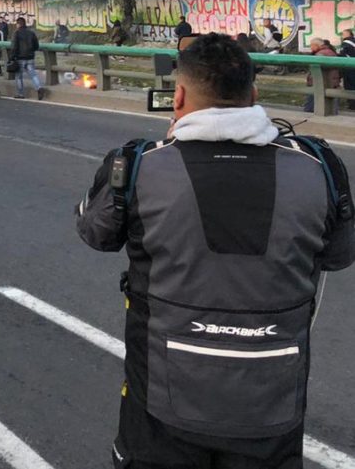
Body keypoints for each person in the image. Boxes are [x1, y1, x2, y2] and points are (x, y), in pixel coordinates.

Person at [76, 33, 354, 468]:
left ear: (179, 95)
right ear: (254, 96)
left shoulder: (138, 166)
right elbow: (339, 255)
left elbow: (95, 232)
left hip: (161, 408)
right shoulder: (319, 167)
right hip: (272, 406)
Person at [11, 16, 44, 100]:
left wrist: (12, 56)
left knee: (19, 76)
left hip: (20, 57)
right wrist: (31, 51)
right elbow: (36, 45)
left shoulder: (16, 33)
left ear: (18, 24)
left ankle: (20, 93)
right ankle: (39, 88)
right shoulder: (31, 33)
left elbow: (14, 46)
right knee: (33, 74)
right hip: (30, 57)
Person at [304, 37, 340, 114]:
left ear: (317, 45)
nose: (310, 47)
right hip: (332, 81)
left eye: (311, 45)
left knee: (309, 106)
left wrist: (309, 81)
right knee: (332, 105)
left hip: (320, 82)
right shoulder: (330, 51)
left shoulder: (320, 54)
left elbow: (314, 69)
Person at [339, 28, 355, 111]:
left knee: (350, 86)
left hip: (349, 69)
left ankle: (352, 105)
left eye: (343, 33)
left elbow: (342, 56)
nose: (342, 35)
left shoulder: (345, 44)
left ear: (348, 34)